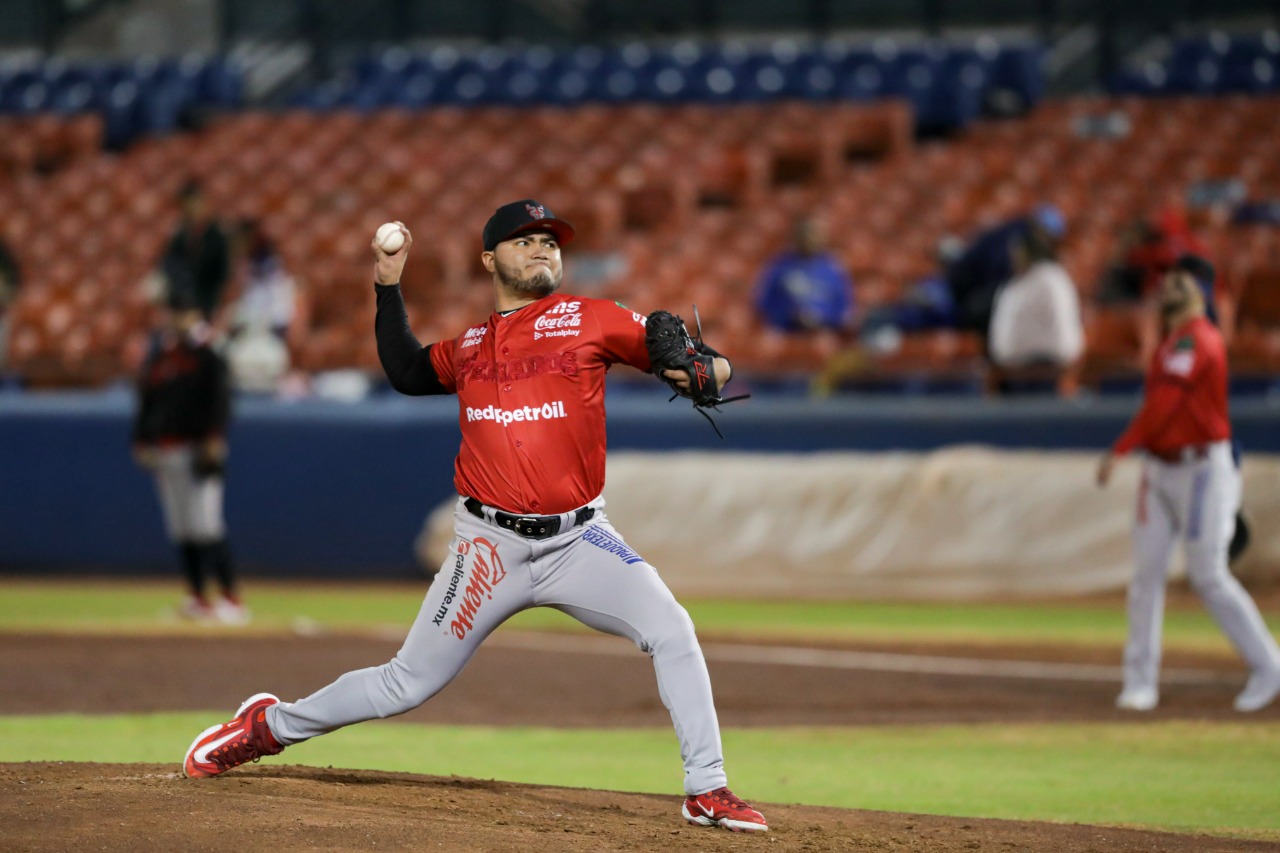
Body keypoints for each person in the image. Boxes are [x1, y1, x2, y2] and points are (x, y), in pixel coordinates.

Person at [181, 200, 769, 833]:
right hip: (487, 548)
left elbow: (711, 372)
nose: (543, 247)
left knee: (673, 629)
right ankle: (266, 727)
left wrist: (700, 368)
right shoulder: (470, 348)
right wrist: (387, 283)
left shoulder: (591, 319)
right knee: (404, 684)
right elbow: (406, 371)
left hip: (582, 540)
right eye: (525, 240)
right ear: (490, 260)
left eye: (550, 240)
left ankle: (707, 788)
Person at [1096, 255, 1280, 713]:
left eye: (1179, 283)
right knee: (1146, 576)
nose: (1169, 288)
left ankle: (1270, 667)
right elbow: (1159, 407)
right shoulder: (1169, 342)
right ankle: (1140, 682)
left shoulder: (1199, 339)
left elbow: (1164, 408)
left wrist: (1120, 449)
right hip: (1160, 469)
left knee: (1208, 574)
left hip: (1200, 469)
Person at [132, 285, 245, 624]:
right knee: (181, 528)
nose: (177, 318)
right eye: (173, 311)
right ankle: (197, 596)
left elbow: (220, 400)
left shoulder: (208, 354)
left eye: (183, 312)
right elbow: (147, 402)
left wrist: (213, 438)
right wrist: (141, 440)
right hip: (167, 450)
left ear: (196, 315)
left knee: (206, 525)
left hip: (198, 449)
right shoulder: (162, 356)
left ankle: (231, 598)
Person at [987, 224, 1084, 394]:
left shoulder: (1051, 279)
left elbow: (1062, 323)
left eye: (1017, 251)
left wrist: (1064, 360)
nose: (1013, 256)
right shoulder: (1015, 283)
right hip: (1013, 371)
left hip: (1045, 370)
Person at [945, 203, 1065, 337]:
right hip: (968, 292)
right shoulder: (1013, 240)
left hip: (974, 290)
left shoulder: (1014, 234)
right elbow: (994, 277)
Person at [753, 215, 855, 335]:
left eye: (814, 235)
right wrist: (788, 315)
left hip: (823, 334)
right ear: (796, 238)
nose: (810, 240)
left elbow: (843, 307)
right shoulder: (779, 265)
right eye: (806, 235)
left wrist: (823, 320)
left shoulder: (833, 269)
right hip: (786, 332)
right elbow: (764, 302)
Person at [161, 180, 231, 321]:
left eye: (195, 203)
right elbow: (170, 265)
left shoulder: (217, 236)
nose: (192, 209)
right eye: (187, 204)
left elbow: (222, 273)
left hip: (207, 305)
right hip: (181, 305)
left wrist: (204, 305)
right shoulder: (179, 236)